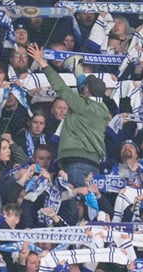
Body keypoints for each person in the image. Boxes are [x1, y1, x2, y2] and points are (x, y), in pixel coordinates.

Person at [25, 44, 109, 187]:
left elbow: (61, 87)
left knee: (78, 196)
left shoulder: (82, 105)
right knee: (86, 199)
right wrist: (78, 70)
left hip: (77, 163)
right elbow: (85, 91)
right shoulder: (103, 109)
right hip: (92, 163)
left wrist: (42, 62)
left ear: (87, 91)